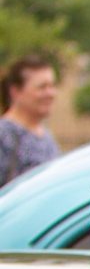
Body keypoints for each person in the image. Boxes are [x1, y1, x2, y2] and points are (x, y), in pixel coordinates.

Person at [0, 55, 61, 187]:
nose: (50, 93)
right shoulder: (5, 135)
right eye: (42, 87)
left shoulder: (46, 136)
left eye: (52, 86)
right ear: (15, 92)